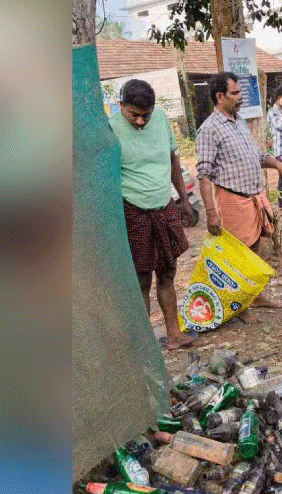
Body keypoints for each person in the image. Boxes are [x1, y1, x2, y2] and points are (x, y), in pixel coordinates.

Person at [195, 72, 282, 323]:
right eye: (235, 93)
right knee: (237, 256)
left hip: (253, 197)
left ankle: (255, 295)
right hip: (232, 199)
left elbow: (258, 156)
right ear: (220, 96)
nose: (240, 97)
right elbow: (204, 174)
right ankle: (241, 307)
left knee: (255, 249)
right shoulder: (209, 129)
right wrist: (210, 212)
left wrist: (280, 166)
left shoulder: (238, 121)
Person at [109, 79, 198, 350]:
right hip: (132, 210)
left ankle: (174, 334)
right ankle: (143, 345)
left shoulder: (160, 120)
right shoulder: (110, 129)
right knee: (141, 279)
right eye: (133, 114)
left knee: (168, 272)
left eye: (145, 115)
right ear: (121, 105)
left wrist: (183, 199)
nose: (139, 121)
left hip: (164, 205)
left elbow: (173, 159)